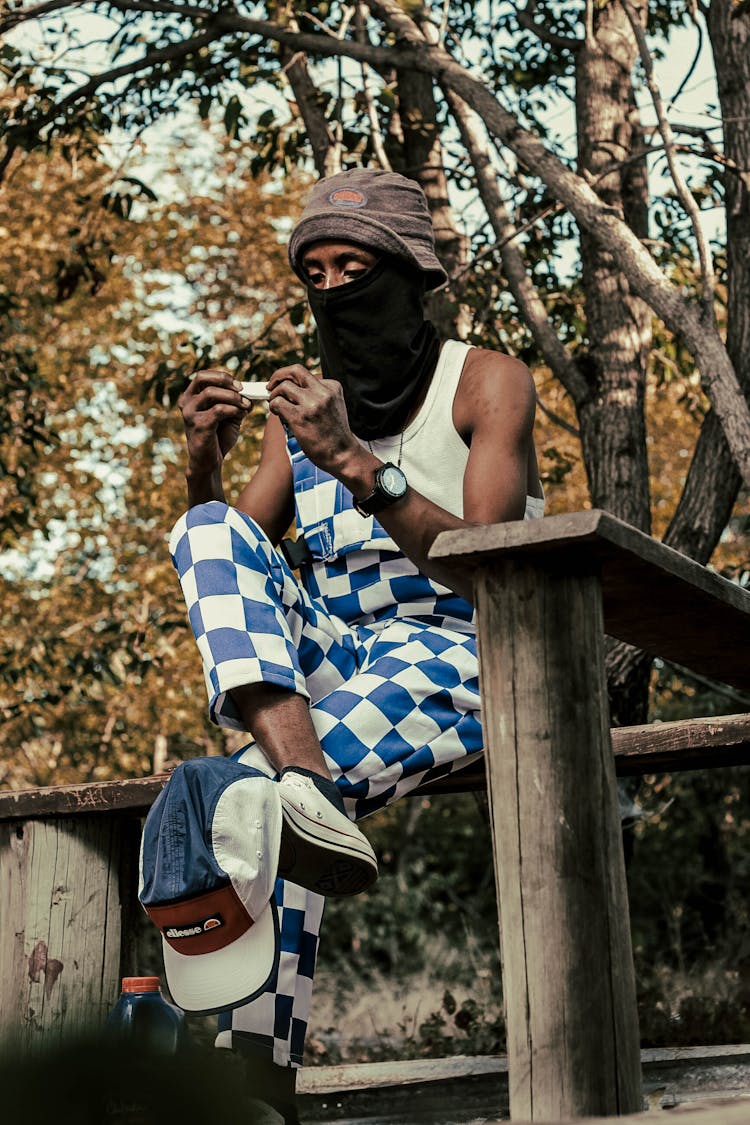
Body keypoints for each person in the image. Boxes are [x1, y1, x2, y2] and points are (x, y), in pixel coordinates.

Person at [169, 168, 544, 1123]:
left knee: (252, 796)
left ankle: (255, 1081)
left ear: (410, 273)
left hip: (468, 651)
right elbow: (232, 557)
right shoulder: (291, 417)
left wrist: (355, 465)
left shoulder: (486, 381)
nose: (334, 288)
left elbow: (491, 575)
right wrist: (199, 463)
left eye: (355, 266)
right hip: (344, 653)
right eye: (315, 271)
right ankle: (308, 783)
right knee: (207, 531)